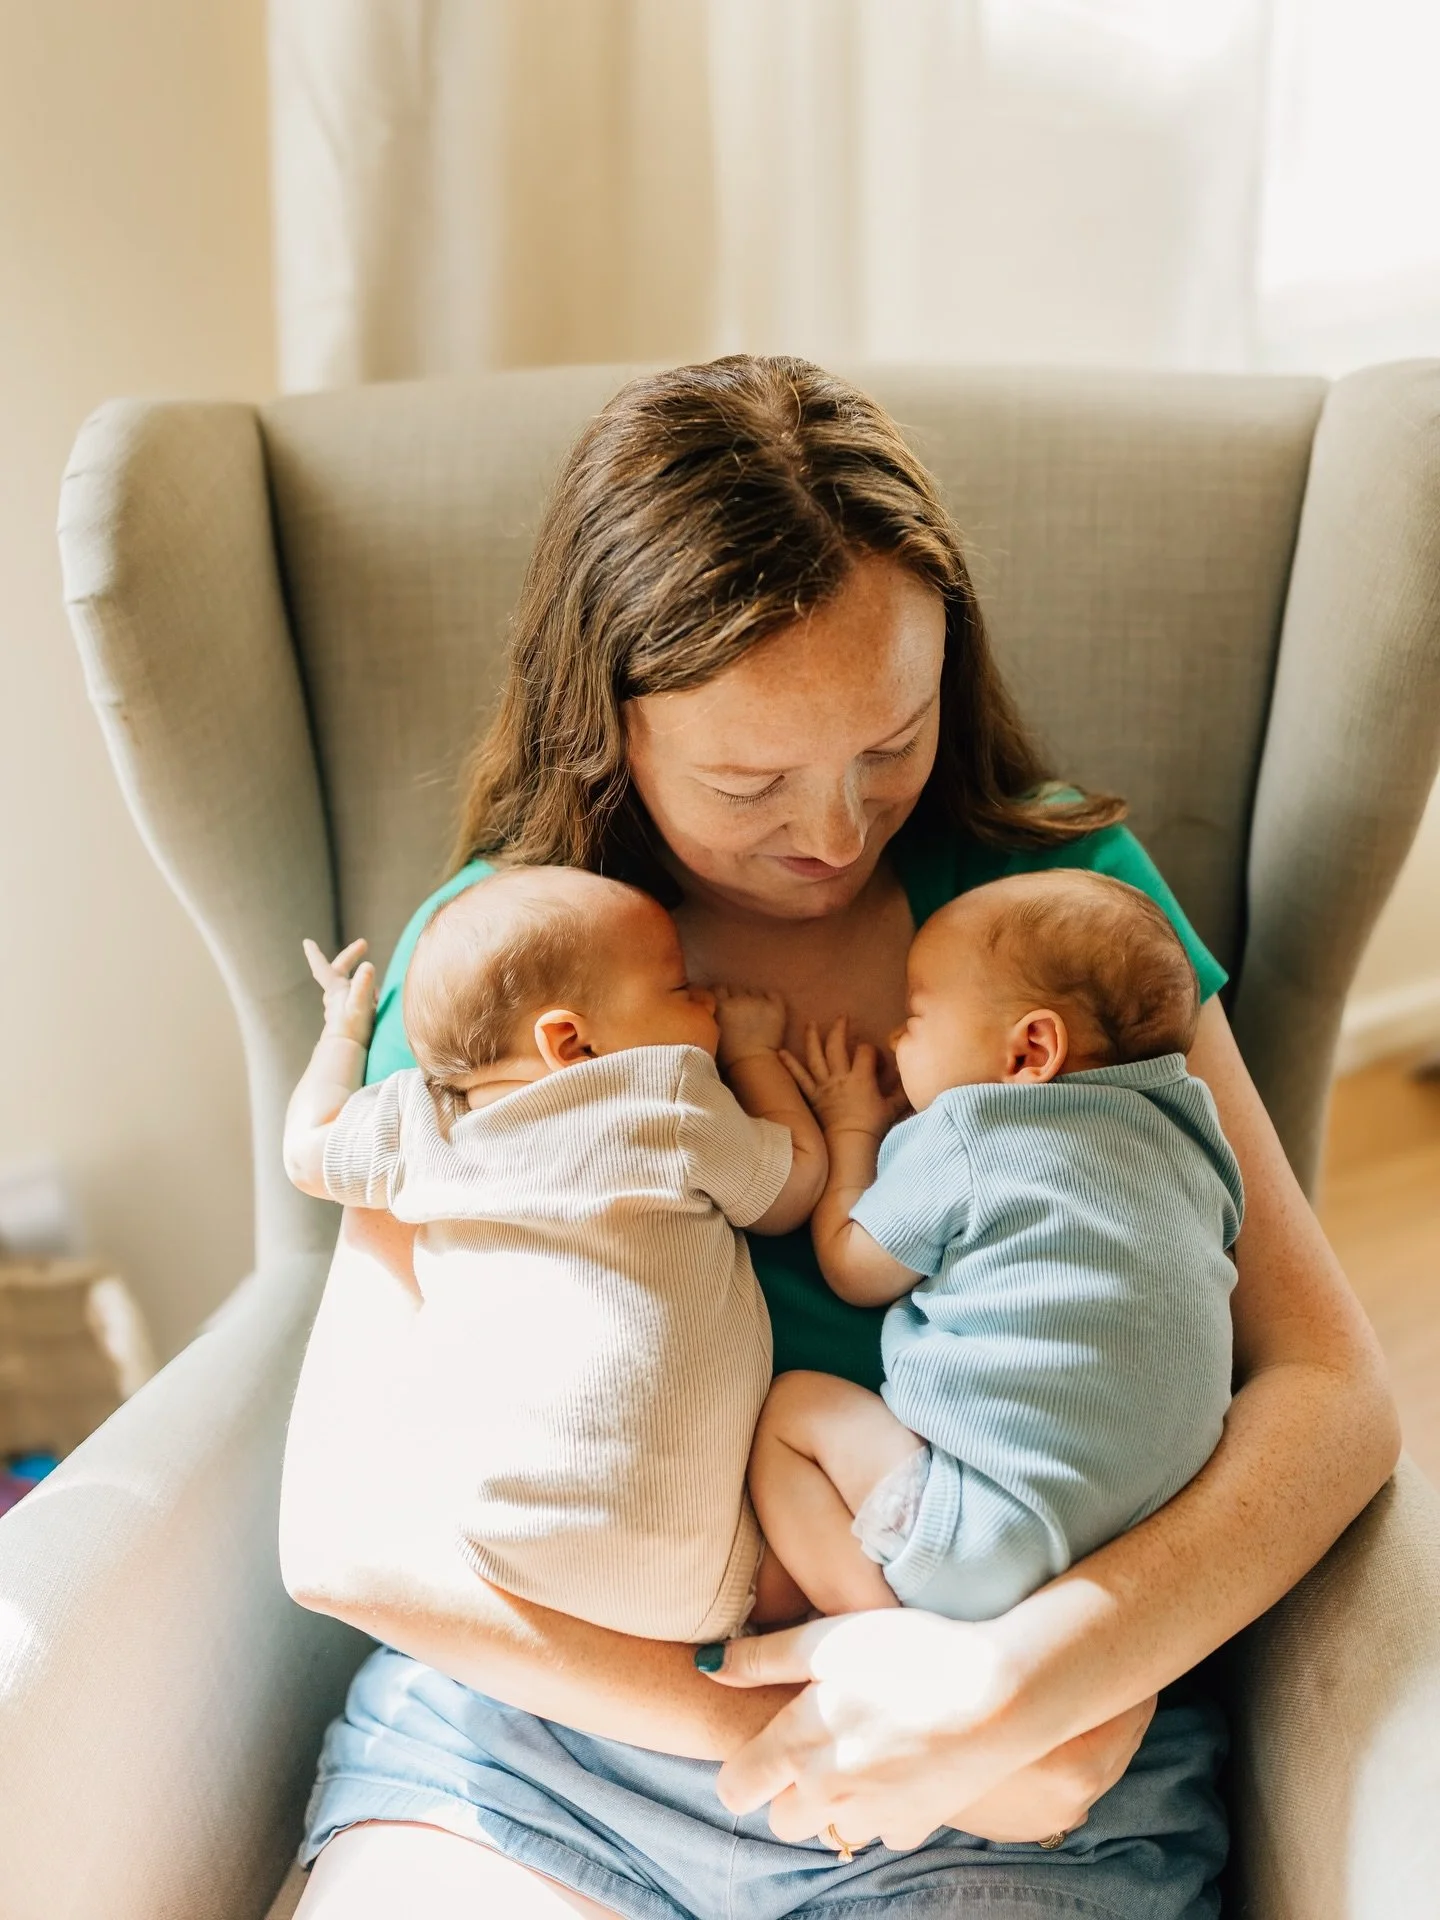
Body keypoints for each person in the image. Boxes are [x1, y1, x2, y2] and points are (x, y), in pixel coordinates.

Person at [279, 355, 1399, 1920]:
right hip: (556, 1747)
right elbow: (345, 1528)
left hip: (1021, 1779)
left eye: (893, 740)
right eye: (748, 780)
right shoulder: (506, 955)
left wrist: (1027, 1688)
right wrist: (793, 1731)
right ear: (611, 728)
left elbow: (1329, 1392)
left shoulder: (1060, 906)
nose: (832, 830)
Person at [280, 864, 822, 1641]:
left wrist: (343, 1031)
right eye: (680, 990)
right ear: (570, 1041)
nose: (706, 998)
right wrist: (759, 1056)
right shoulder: (661, 1096)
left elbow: (306, 1152)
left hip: (487, 1547)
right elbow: (793, 1191)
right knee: (824, 1452)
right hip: (699, 1571)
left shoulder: (417, 1126)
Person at [746, 868, 1242, 1626]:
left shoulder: (973, 1131)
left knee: (792, 1414)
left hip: (983, 1538)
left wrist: (852, 1126)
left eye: (916, 1013)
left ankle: (874, 1636)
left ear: (1029, 1050)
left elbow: (852, 1264)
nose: (896, 1035)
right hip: (1142, 1548)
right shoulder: (1194, 1146)